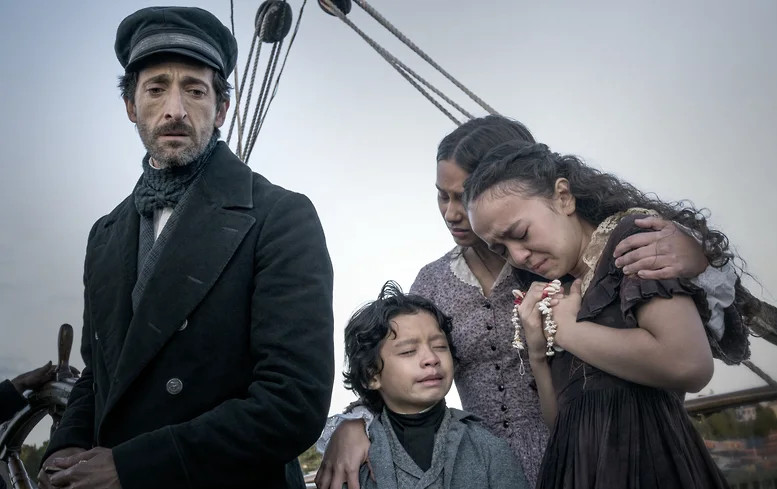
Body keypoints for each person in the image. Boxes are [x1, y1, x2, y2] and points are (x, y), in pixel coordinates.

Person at [315, 116, 737, 489]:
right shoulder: (435, 281)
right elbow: (396, 357)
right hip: (478, 467)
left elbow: (684, 341)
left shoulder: (563, 264)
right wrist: (358, 421)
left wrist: (697, 256)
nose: (452, 212)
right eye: (442, 196)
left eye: (463, 195)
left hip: (586, 457)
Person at [37, 7, 334, 489]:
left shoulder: (280, 216)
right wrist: (67, 444)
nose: (175, 109)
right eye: (156, 88)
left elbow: (293, 401)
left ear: (221, 109)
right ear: (131, 106)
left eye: (195, 90)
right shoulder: (104, 234)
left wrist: (132, 467)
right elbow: (101, 373)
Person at [463, 141, 753, 488]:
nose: (517, 256)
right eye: (501, 249)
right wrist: (538, 353)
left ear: (563, 197)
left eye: (521, 234)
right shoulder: (560, 292)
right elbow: (560, 422)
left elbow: (688, 364)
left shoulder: (631, 244)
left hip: (648, 465)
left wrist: (568, 331)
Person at [343, 281, 528, 489]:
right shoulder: (349, 458)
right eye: (408, 351)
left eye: (440, 346)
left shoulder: (488, 449)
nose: (431, 358)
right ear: (371, 376)